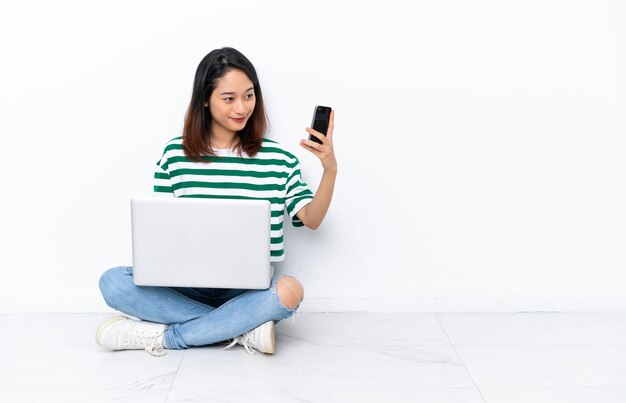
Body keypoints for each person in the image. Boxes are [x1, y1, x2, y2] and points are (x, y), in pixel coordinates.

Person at [95, 47, 337, 356]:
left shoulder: (279, 159)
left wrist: (330, 169)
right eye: (229, 98)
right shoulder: (174, 155)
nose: (241, 108)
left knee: (290, 291)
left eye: (249, 96)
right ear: (205, 99)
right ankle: (243, 328)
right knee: (112, 283)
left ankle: (167, 337)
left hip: (246, 290)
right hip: (183, 284)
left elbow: (312, 220)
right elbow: (160, 232)